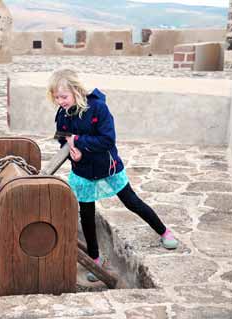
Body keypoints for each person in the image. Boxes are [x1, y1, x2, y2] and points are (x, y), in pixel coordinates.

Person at [47, 68, 178, 282]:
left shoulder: (98, 108)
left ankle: (164, 232)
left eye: (64, 96)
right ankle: (95, 259)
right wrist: (74, 155)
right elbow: (63, 139)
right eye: (56, 97)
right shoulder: (62, 114)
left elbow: (108, 140)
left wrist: (79, 142)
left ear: (76, 91)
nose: (60, 101)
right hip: (83, 171)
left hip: (108, 166)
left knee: (131, 201)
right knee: (87, 215)